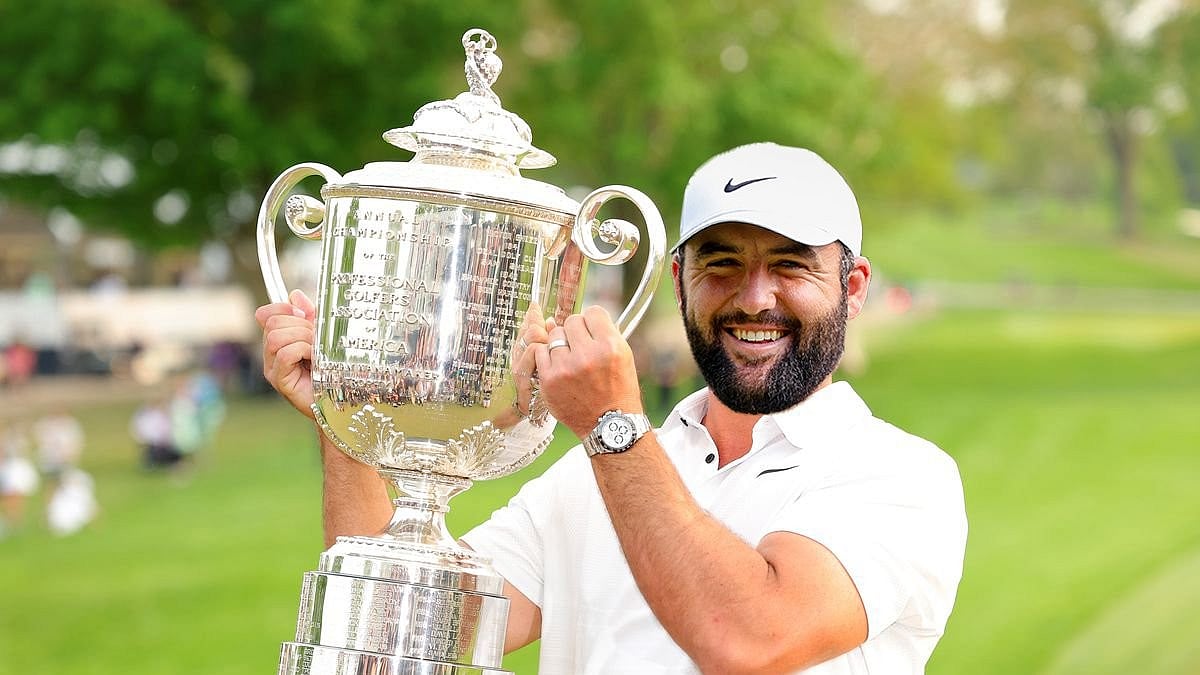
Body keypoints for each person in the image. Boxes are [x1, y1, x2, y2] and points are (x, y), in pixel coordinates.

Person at [256, 143, 968, 673]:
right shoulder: (589, 478)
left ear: (853, 286)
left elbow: (747, 638)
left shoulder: (902, 477)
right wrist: (346, 423)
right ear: (679, 281)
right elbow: (395, 630)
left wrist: (609, 425)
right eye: (722, 263)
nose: (755, 298)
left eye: (791, 264)